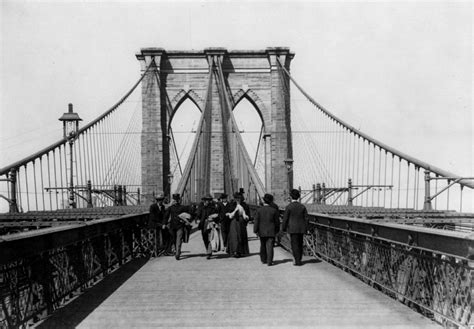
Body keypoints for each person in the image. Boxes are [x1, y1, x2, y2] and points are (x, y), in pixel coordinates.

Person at [282, 189, 309, 266]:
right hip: (301, 228)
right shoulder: (302, 207)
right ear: (298, 197)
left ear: (291, 197)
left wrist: (283, 228)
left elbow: (285, 219)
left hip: (292, 228)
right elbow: (306, 219)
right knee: (300, 244)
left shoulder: (289, 207)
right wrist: (306, 228)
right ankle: (299, 259)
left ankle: (297, 260)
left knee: (294, 244)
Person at [165, 193, 193, 260]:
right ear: (173, 200)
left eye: (177, 200)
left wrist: (188, 220)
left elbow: (191, 212)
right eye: (175, 200)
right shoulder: (170, 208)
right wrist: (164, 223)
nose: (176, 201)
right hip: (172, 226)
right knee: (174, 239)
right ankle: (177, 250)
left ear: (179, 200)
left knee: (179, 239)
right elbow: (166, 216)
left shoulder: (182, 207)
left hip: (180, 226)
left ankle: (177, 253)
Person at [254, 193, 280, 266]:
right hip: (271, 230)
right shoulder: (274, 210)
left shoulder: (259, 210)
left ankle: (263, 259)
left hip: (261, 230)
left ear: (264, 201)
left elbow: (256, 221)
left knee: (262, 245)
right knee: (270, 246)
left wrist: (255, 230)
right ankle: (269, 261)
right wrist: (277, 230)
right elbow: (277, 222)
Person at [226, 192, 250, 257]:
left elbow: (248, 215)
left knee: (241, 237)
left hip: (241, 222)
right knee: (234, 237)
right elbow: (228, 213)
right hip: (233, 222)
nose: (238, 199)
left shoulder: (244, 205)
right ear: (234, 198)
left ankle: (241, 251)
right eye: (236, 198)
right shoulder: (231, 205)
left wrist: (246, 219)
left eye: (239, 198)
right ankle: (235, 251)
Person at [197, 194, 220, 259]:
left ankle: (209, 252)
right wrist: (198, 219)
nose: (207, 201)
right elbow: (198, 214)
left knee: (210, 237)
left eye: (209, 200)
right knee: (204, 238)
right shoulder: (201, 207)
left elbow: (217, 215)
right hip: (203, 224)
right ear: (204, 200)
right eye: (206, 200)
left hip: (210, 224)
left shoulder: (213, 207)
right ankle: (207, 249)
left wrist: (214, 219)